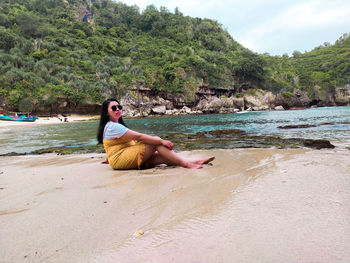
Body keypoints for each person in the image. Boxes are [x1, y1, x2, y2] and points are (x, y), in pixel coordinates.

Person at [97, 98, 214, 170]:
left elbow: (113, 144)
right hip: (120, 161)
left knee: (161, 155)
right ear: (106, 112)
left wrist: (109, 157)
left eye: (119, 106)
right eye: (113, 108)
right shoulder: (113, 126)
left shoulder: (111, 126)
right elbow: (139, 137)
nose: (118, 109)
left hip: (119, 159)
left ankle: (193, 162)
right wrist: (161, 141)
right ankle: (186, 164)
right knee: (156, 141)